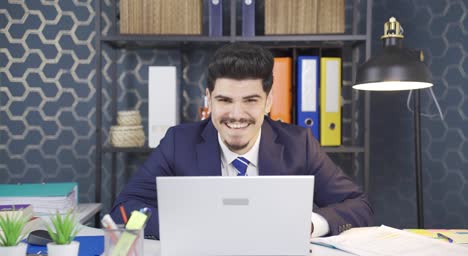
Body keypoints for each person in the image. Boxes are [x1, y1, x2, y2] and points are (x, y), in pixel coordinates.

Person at [110, 43, 374, 239]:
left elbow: (360, 207)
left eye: (250, 100)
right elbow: (123, 210)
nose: (236, 115)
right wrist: (186, 226)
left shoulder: (299, 144)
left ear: (269, 102)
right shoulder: (178, 142)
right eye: (224, 100)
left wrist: (311, 224)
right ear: (209, 99)